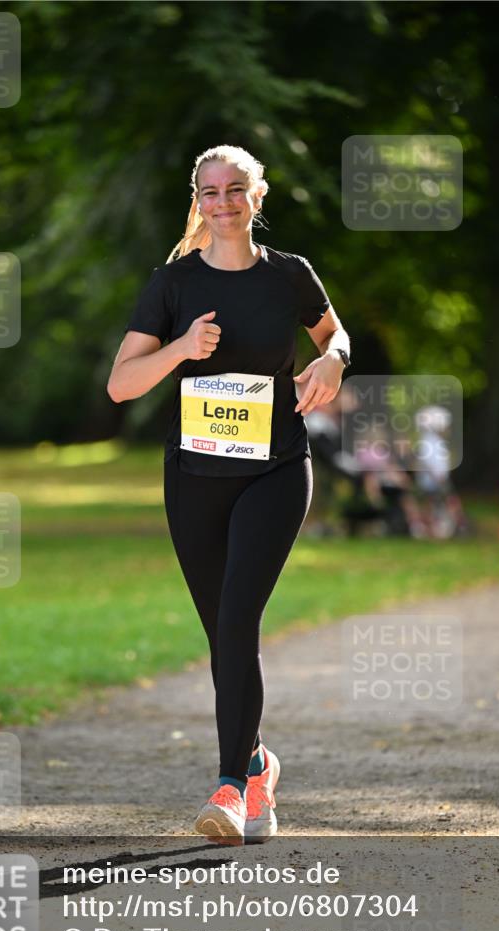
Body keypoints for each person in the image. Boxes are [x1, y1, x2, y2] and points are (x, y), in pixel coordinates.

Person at [107, 144, 351, 845]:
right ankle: (258, 768)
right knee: (223, 635)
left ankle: (227, 788)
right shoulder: (172, 285)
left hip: (275, 467)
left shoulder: (290, 275)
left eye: (235, 190)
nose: (222, 202)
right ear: (197, 200)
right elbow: (122, 384)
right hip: (194, 478)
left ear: (257, 196)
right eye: (209, 192)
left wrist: (330, 362)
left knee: (239, 617)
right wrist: (181, 347)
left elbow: (334, 336)